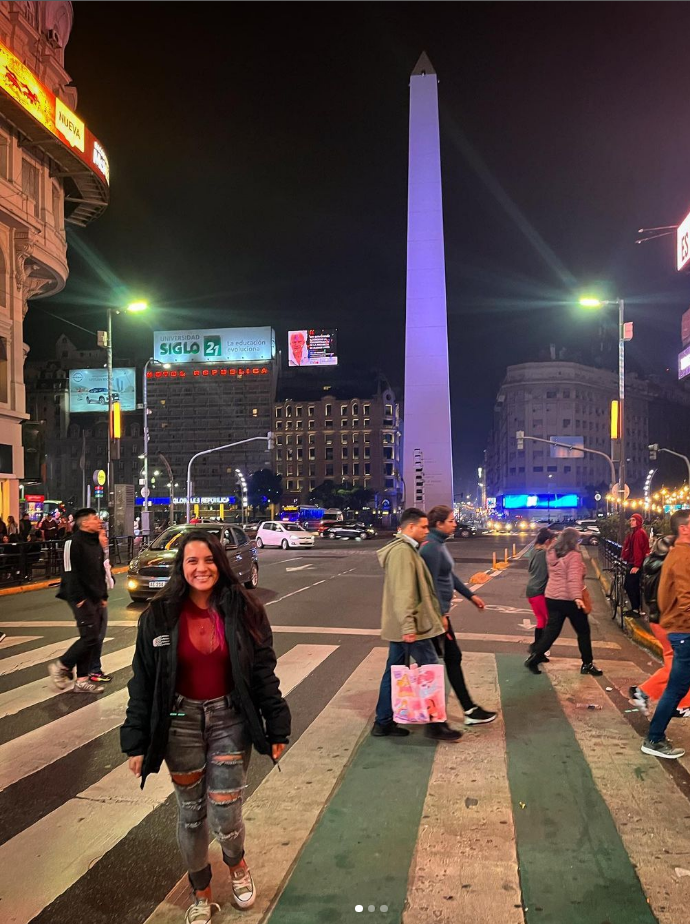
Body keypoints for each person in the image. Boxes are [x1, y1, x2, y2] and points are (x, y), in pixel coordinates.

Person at [121, 530, 290, 923]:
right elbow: (143, 681)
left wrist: (277, 726)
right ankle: (200, 891)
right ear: (182, 567)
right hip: (179, 724)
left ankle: (236, 864)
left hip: (230, 719)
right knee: (191, 814)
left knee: (226, 812)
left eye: (209, 560)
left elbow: (264, 671)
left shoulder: (245, 608)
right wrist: (136, 741)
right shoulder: (159, 615)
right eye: (192, 561)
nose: (201, 568)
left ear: (222, 562)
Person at [372, 507, 463, 742]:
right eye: (423, 527)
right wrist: (409, 627)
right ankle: (436, 724)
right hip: (413, 627)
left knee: (393, 671)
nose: (426, 530)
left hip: (406, 625)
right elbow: (404, 593)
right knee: (430, 669)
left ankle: (383, 723)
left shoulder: (407, 549)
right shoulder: (403, 553)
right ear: (410, 527)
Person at [420, 505, 496, 725]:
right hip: (435, 615)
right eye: (451, 521)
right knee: (443, 660)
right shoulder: (431, 548)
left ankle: (463, 710)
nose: (455, 523)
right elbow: (430, 585)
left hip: (438, 614)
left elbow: (448, 576)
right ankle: (458, 712)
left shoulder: (439, 545)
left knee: (443, 659)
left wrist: (471, 596)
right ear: (439, 524)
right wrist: (441, 615)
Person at [641, 510, 690, 759]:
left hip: (679, 628)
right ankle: (654, 737)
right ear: (684, 528)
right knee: (676, 686)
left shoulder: (677, 553)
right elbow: (686, 597)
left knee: (677, 685)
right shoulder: (682, 556)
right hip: (684, 631)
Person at [524, 527, 602, 676]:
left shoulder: (551, 553)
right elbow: (573, 578)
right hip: (570, 600)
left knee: (552, 631)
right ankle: (587, 663)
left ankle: (534, 657)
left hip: (552, 598)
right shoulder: (573, 555)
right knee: (583, 632)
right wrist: (577, 598)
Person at [48, 508, 108, 694]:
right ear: (84, 523)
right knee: (89, 636)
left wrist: (103, 596)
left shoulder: (95, 543)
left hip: (95, 596)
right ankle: (62, 666)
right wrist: (79, 598)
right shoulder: (72, 543)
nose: (99, 521)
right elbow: (69, 572)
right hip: (80, 597)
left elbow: (99, 572)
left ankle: (82, 679)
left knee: (92, 638)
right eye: (95, 518)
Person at [629, 534, 690, 718]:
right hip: (669, 622)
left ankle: (681, 703)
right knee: (678, 666)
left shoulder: (654, 566)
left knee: (678, 663)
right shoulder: (670, 568)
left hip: (659, 619)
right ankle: (645, 692)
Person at [87, 523, 114, 684]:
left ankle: (93, 668)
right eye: (103, 536)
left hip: (99, 600)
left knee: (98, 636)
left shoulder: (100, 555)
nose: (106, 539)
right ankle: (92, 669)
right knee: (95, 637)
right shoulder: (92, 556)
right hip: (94, 602)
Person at [526, 528, 555, 659]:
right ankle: (538, 649)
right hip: (539, 592)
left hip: (531, 591)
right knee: (549, 622)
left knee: (541, 620)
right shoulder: (544, 554)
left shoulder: (532, 551)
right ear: (547, 541)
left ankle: (538, 650)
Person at [622, 513, 650, 616]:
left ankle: (635, 609)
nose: (631, 522)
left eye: (633, 520)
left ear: (638, 521)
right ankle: (635, 608)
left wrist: (637, 566)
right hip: (634, 563)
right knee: (632, 586)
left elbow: (638, 551)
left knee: (630, 585)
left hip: (635, 564)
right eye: (631, 520)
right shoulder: (635, 532)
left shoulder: (638, 533)